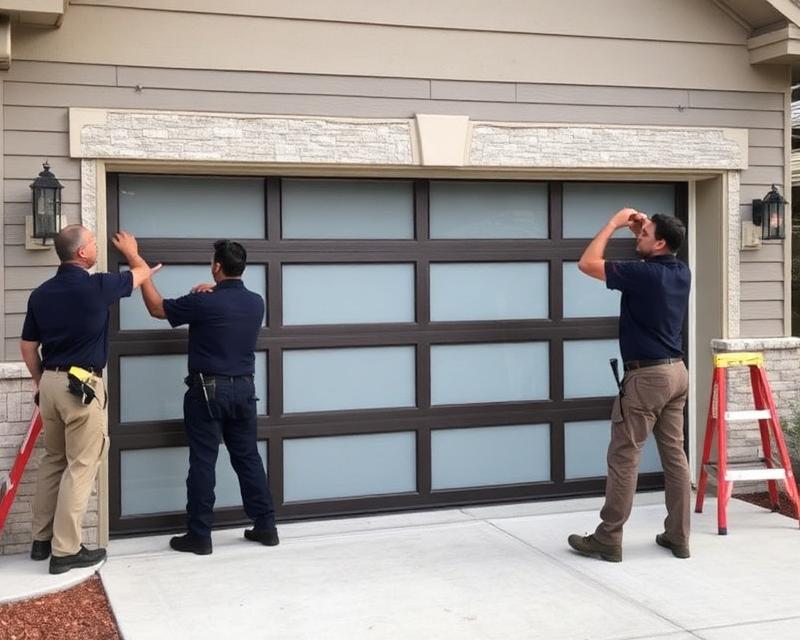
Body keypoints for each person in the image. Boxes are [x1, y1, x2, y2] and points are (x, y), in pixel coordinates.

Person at [20, 225, 159, 574]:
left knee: (54, 460)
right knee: (81, 466)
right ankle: (65, 551)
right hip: (80, 387)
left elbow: (27, 346)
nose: (97, 246)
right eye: (94, 242)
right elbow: (142, 273)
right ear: (82, 253)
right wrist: (131, 252)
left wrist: (41, 382)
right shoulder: (98, 286)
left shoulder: (40, 294)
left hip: (50, 384)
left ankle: (41, 541)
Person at [128, 237, 278, 555]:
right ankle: (266, 526)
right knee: (248, 457)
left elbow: (157, 309)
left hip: (208, 390)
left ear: (217, 266)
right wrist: (212, 290)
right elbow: (226, 307)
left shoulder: (204, 302)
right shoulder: (256, 303)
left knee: (203, 461)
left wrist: (140, 268)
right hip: (244, 390)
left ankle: (199, 535)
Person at [567, 208, 691, 562]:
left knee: (624, 457)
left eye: (645, 234)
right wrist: (641, 229)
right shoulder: (681, 271)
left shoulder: (644, 275)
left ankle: (608, 538)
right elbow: (650, 252)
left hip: (647, 379)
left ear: (661, 243)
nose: (639, 236)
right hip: (677, 373)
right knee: (675, 457)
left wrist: (614, 223)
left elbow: (587, 263)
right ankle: (678, 536)